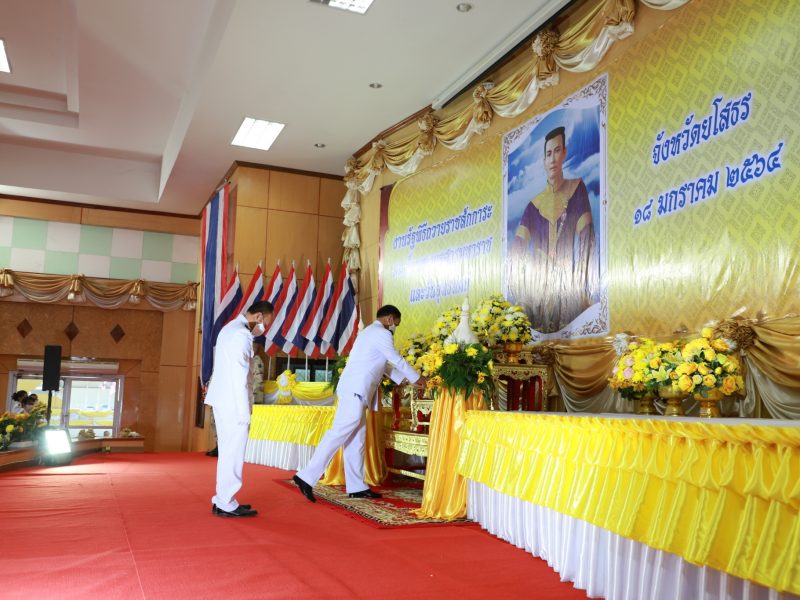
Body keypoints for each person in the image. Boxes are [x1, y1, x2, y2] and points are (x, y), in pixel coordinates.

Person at [294, 305, 424, 502]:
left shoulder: (368, 333)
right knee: (339, 432)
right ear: (389, 319)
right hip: (355, 389)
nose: (394, 328)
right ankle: (306, 476)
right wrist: (417, 377)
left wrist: (404, 379)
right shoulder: (382, 333)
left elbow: (383, 364)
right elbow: (395, 359)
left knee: (357, 439)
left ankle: (356, 486)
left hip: (355, 389)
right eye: (396, 324)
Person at [510, 125, 599, 333]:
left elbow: (587, 239)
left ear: (564, 153)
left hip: (569, 288)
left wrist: (581, 281)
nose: (552, 159)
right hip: (539, 294)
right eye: (548, 154)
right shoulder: (533, 205)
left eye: (557, 151)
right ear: (543, 160)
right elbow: (516, 252)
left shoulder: (576, 189)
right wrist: (524, 291)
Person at [204, 300, 274, 518]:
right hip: (233, 402)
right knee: (233, 453)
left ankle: (222, 499)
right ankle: (226, 501)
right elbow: (239, 374)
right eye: (266, 323)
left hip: (224, 399)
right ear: (259, 316)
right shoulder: (242, 335)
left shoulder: (229, 328)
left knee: (227, 452)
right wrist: (244, 410)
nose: (264, 328)